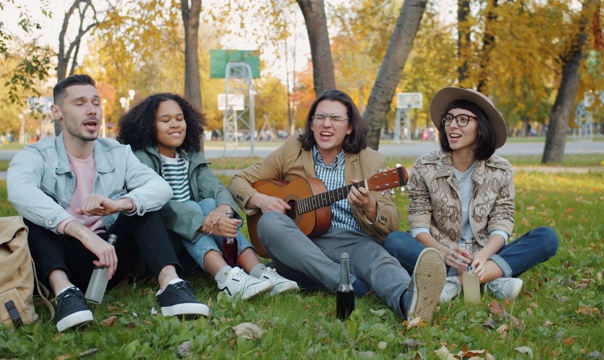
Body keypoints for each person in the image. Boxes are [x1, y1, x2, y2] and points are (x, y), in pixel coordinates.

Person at [7, 75, 209, 333]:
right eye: (80, 103)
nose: (92, 110)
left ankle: (171, 285)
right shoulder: (37, 154)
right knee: (36, 218)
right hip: (61, 258)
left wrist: (119, 204)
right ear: (56, 111)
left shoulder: (117, 152)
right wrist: (80, 232)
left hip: (112, 258)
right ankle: (65, 294)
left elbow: (160, 188)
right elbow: (19, 190)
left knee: (140, 207)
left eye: (96, 102)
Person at [228, 89, 446, 323]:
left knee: (378, 260)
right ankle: (349, 283)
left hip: (351, 241)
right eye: (320, 117)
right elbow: (238, 181)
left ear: (350, 126)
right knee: (270, 222)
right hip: (299, 244)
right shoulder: (294, 149)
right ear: (311, 124)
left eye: (335, 119)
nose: (326, 125)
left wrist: (370, 205)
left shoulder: (370, 160)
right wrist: (262, 200)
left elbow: (391, 222)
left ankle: (409, 302)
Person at [384, 87, 559, 303]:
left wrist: (483, 257)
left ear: (482, 127)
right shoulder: (425, 166)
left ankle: (456, 282)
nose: (452, 125)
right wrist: (443, 252)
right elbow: (418, 224)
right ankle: (493, 279)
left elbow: (502, 224)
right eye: (448, 119)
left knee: (547, 238)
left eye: (463, 119)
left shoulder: (500, 170)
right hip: (440, 252)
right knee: (394, 241)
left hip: (485, 252)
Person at [117, 93, 298, 299]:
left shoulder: (191, 158)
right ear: (149, 126)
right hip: (163, 250)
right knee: (195, 208)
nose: (175, 124)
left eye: (179, 118)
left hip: (194, 246)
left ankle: (260, 273)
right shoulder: (141, 159)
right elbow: (163, 207)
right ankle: (227, 278)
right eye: (165, 120)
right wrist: (203, 222)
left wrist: (223, 210)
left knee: (211, 202)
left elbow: (217, 189)